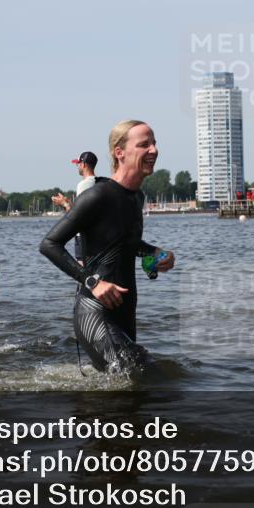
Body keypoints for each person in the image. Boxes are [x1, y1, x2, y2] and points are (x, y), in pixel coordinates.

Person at [40, 120, 175, 373]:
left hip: (124, 311)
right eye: (144, 144)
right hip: (95, 310)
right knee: (144, 376)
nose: (154, 150)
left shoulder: (137, 196)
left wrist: (154, 253)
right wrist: (92, 281)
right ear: (119, 152)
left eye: (155, 143)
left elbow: (128, 244)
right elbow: (49, 244)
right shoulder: (97, 195)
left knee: (130, 396)